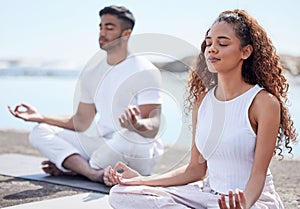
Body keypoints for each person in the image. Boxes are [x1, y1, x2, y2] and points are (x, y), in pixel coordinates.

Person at [105, 9, 297, 208]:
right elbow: (195, 170)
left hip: (250, 201)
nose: (212, 49)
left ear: (245, 51)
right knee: (121, 193)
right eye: (209, 43)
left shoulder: (263, 102)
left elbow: (258, 175)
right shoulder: (203, 101)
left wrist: (243, 204)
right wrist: (140, 180)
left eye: (222, 43)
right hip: (207, 194)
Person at [8, 5, 163, 184]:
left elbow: (154, 127)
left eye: (109, 28)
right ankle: (92, 172)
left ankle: (77, 167)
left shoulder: (145, 70)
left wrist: (136, 124)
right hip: (103, 144)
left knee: (129, 138)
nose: (102, 33)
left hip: (135, 146)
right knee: (39, 131)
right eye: (101, 27)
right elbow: (81, 122)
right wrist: (40, 117)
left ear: (126, 33)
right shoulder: (92, 73)